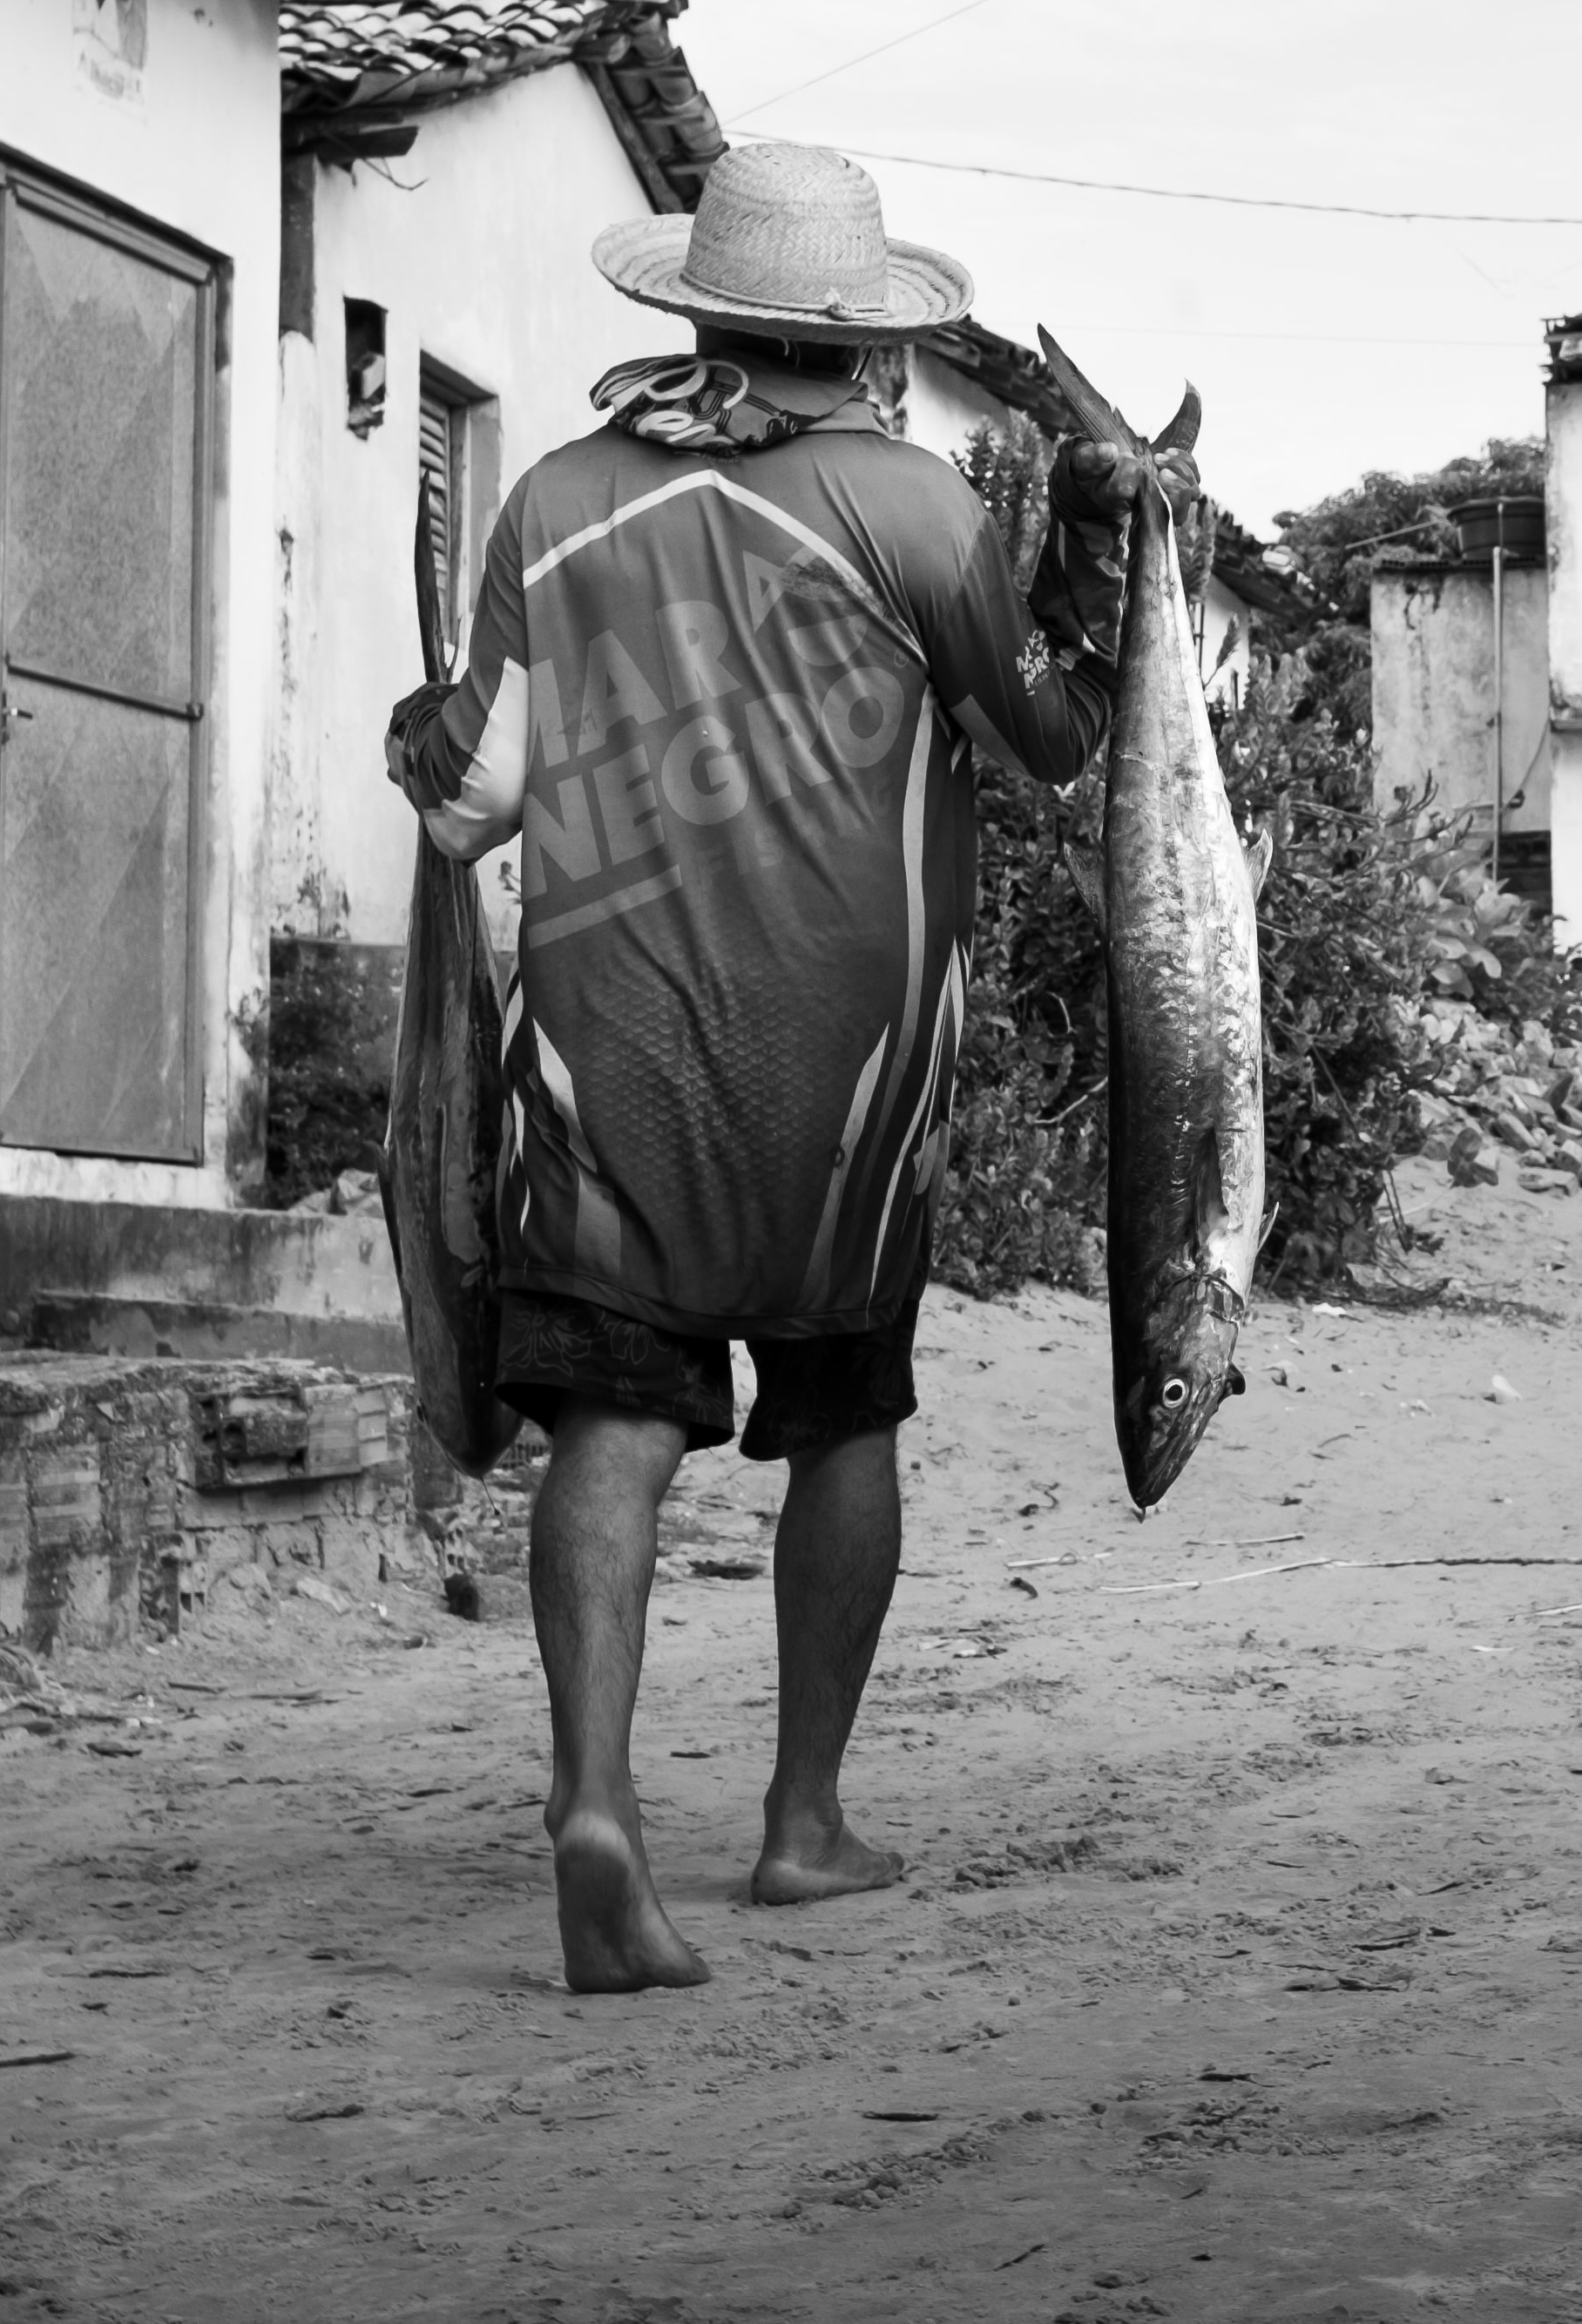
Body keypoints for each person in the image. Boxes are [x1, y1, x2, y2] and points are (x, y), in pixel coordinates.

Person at [385, 141, 1184, 1994]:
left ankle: (595, 1802)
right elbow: (1056, 742)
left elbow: (474, 805)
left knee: (616, 1420)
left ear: (699, 306)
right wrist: (1087, 560)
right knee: (844, 1414)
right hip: (854, 1068)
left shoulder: (558, 497)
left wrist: (425, 733)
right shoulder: (914, 508)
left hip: (608, 1046)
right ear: (862, 336)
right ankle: (800, 1821)